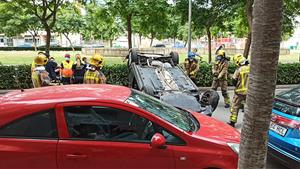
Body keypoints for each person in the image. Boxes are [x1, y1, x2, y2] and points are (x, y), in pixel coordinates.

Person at [228, 54, 250, 127]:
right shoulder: (251, 68)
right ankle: (248, 123)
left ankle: (232, 122)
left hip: (239, 92)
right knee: (248, 107)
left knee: (235, 106)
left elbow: (234, 81)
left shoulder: (239, 70)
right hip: (249, 92)